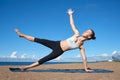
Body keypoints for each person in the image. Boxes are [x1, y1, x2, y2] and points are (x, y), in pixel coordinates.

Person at [15, 9, 96, 72]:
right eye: (86, 30)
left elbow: (84, 58)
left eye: (88, 32)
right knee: (39, 40)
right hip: (56, 43)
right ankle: (22, 35)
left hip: (59, 51)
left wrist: (86, 68)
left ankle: (26, 67)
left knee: (44, 60)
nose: (85, 31)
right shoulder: (77, 33)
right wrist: (70, 15)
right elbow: (72, 24)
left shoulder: (81, 46)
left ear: (89, 37)